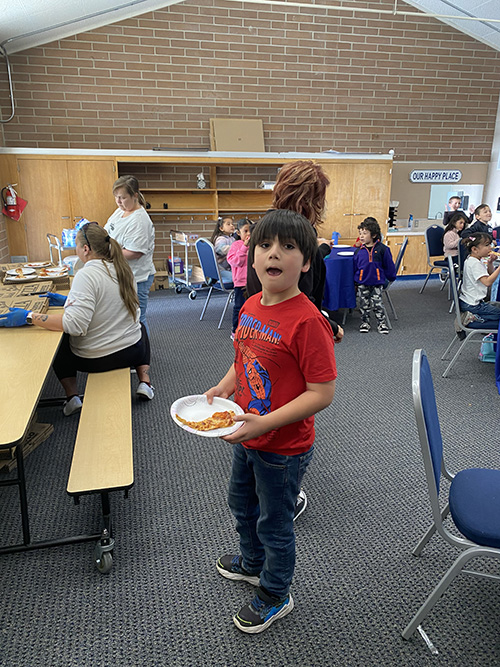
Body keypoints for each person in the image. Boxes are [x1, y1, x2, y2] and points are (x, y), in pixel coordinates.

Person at [206, 209, 337, 634]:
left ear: (305, 261)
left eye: (288, 246)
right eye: (264, 245)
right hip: (247, 432)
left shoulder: (308, 321)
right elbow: (243, 357)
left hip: (283, 447)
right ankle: (251, 563)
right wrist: (224, 387)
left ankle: (276, 592)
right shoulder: (249, 305)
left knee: (275, 522)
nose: (273, 253)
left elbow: (322, 394)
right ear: (252, 254)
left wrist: (265, 425)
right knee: (241, 503)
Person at [0, 223, 154, 412]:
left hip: (97, 359)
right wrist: (69, 300)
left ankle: (72, 397)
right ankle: (145, 382)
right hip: (132, 352)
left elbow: (74, 326)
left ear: (86, 249)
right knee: (140, 326)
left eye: (77, 247)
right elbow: (110, 301)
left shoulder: (86, 275)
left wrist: (29, 316)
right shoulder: (124, 269)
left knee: (60, 337)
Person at [246, 160, 344, 345]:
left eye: (288, 247)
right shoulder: (303, 235)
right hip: (291, 333)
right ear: (313, 201)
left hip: (261, 325)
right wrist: (329, 325)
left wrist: (318, 248)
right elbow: (304, 301)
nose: (274, 253)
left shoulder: (261, 230)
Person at [104, 175, 155, 329]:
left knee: (138, 319)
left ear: (135, 195)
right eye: (116, 197)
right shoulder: (120, 211)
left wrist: (109, 251)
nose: (119, 201)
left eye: (123, 197)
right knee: (127, 318)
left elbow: (134, 253)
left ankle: (143, 352)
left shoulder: (139, 220)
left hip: (137, 277)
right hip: (123, 274)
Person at [354, 216, 396, 334]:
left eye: (365, 233)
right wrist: (355, 280)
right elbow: (355, 267)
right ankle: (365, 322)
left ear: (373, 235)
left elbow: (389, 265)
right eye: (360, 233)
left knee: (378, 304)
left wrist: (391, 277)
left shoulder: (383, 249)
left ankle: (381, 323)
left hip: (377, 282)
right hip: (363, 282)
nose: (361, 236)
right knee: (364, 304)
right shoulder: (359, 251)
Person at [459, 233, 500, 327]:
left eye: (490, 244)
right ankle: (473, 318)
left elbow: (489, 274)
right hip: (473, 305)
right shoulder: (475, 264)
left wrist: (490, 263)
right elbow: (488, 282)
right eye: (487, 245)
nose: (490, 248)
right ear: (474, 249)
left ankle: (476, 316)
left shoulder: (474, 259)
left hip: (470, 301)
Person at [227, 218, 252, 341]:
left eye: (250, 231)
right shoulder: (236, 245)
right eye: (245, 231)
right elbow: (235, 261)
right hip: (240, 282)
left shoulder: (255, 245)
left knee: (252, 308)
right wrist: (244, 248)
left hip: (253, 282)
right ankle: (235, 330)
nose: (248, 234)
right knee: (239, 307)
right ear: (238, 233)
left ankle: (249, 330)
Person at [210, 215, 235, 284]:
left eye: (232, 224)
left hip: (228, 268)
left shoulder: (232, 238)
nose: (232, 226)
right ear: (221, 228)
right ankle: (217, 280)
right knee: (237, 278)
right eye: (228, 224)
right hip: (220, 269)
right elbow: (220, 249)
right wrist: (235, 248)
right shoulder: (221, 238)